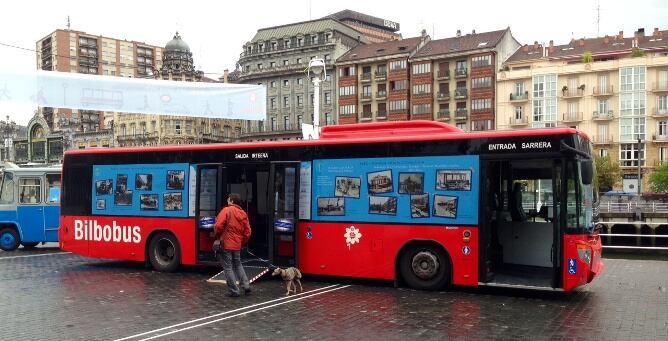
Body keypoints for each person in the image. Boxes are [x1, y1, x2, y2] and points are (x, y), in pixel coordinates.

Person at [214, 193, 252, 297]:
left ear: (231, 201)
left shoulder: (226, 210)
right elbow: (248, 232)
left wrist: (218, 235)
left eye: (228, 199)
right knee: (238, 264)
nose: (227, 201)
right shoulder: (243, 213)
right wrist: (241, 241)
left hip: (226, 243)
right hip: (237, 245)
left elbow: (218, 226)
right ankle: (246, 286)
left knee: (228, 267)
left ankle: (234, 291)